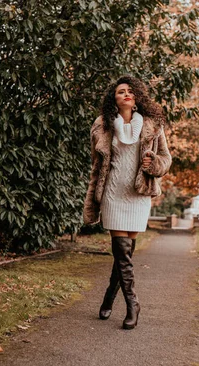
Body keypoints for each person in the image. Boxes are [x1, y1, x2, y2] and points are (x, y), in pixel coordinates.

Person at [82, 76, 172, 330]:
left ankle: (110, 295)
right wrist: (93, 198)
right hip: (112, 193)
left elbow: (166, 158)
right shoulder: (102, 125)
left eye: (131, 91)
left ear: (137, 97)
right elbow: (96, 166)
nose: (126, 94)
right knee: (121, 250)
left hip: (138, 194)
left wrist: (153, 163)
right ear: (115, 98)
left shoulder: (153, 125)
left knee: (124, 254)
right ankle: (133, 304)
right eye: (121, 92)